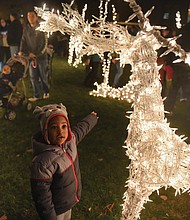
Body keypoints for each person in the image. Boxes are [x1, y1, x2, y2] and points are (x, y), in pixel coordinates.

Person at [30, 103, 98, 220]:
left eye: (63, 126)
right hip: (56, 209)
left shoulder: (70, 142)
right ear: (45, 131)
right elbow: (42, 197)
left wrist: (91, 118)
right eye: (54, 127)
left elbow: (81, 129)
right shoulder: (42, 163)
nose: (60, 132)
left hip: (68, 202)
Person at [19, 10, 50, 102]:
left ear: (36, 17)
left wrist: (37, 55)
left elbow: (44, 44)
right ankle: (37, 95)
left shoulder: (41, 28)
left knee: (43, 75)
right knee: (33, 77)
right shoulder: (26, 29)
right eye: (28, 16)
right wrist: (21, 51)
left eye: (32, 16)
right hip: (31, 57)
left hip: (41, 57)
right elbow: (23, 41)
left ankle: (46, 91)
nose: (30, 18)